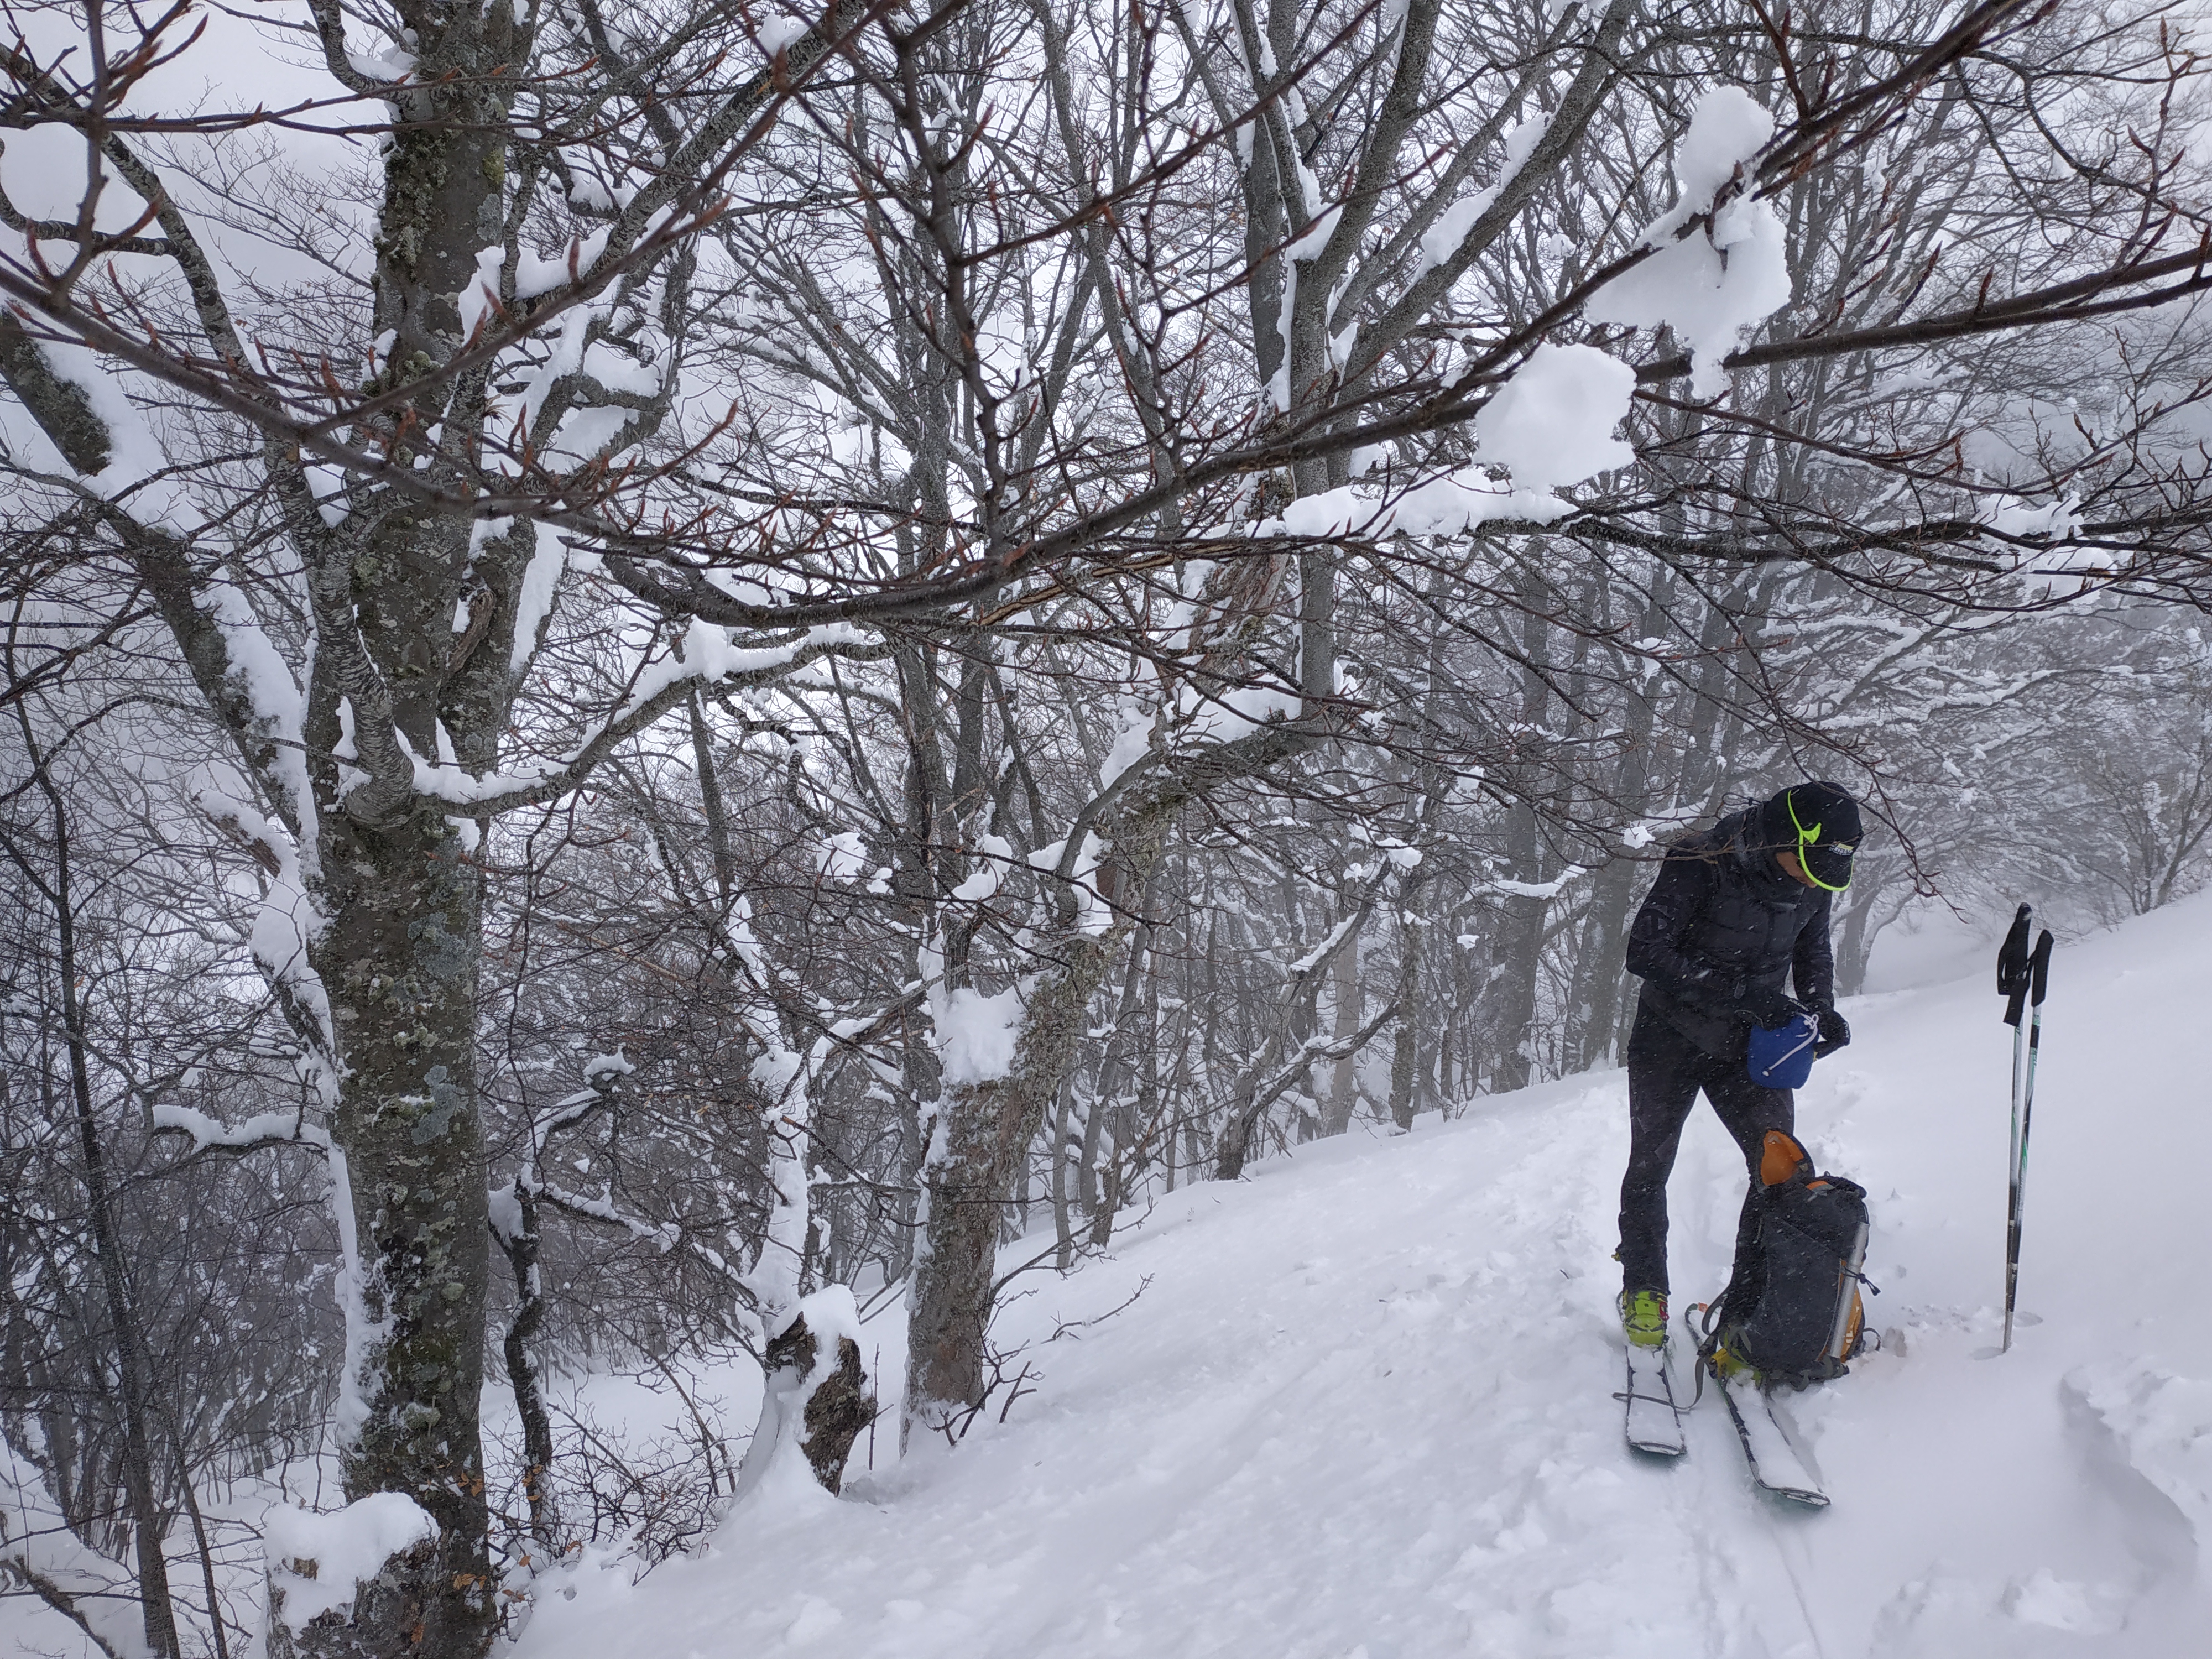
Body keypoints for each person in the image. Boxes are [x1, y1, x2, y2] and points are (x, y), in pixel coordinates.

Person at [1614, 780, 1863, 1362]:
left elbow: (1813, 948)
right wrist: (1745, 996)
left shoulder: (1815, 877)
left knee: (1778, 1171)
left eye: (1824, 873)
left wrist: (1821, 1007)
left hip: (1752, 1047)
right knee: (1651, 1162)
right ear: (1782, 838)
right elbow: (1645, 953)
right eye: (1807, 867)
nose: (1812, 881)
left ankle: (1752, 1307)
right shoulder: (1700, 858)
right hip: (1668, 1035)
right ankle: (1644, 1289)